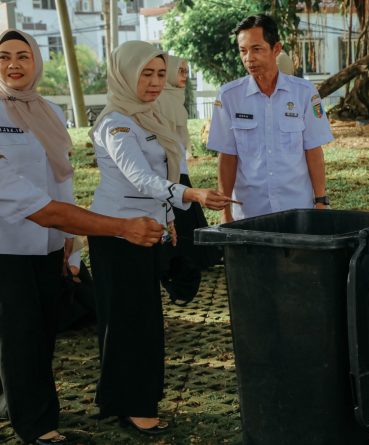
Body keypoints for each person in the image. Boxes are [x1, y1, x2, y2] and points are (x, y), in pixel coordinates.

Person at [0, 29, 161, 445]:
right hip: (7, 243)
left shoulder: (49, 111)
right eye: (3, 57)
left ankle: (23, 407)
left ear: (36, 61)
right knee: (20, 335)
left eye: (22, 55)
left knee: (41, 333)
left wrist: (71, 246)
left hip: (51, 241)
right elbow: (27, 200)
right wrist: (117, 226)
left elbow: (61, 178)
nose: (14, 64)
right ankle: (36, 427)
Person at [88, 40, 229, 435]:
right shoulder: (116, 123)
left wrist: (168, 218)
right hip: (117, 234)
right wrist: (191, 195)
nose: (153, 83)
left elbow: (161, 176)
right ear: (124, 75)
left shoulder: (147, 117)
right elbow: (141, 179)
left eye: (159, 74)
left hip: (145, 230)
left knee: (140, 319)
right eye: (145, 74)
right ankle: (133, 407)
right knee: (130, 321)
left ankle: (125, 400)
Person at [207, 14, 334, 223]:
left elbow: (313, 150)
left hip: (298, 209)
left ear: (276, 49)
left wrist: (321, 200)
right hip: (249, 212)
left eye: (257, 49)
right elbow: (227, 156)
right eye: (243, 51)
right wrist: (225, 212)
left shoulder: (304, 93)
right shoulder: (229, 96)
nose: (249, 58)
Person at [156, 55, 219, 304]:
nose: (183, 75)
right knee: (180, 222)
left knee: (187, 220)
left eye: (185, 71)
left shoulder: (175, 98)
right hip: (167, 173)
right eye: (179, 70)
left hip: (179, 169)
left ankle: (190, 266)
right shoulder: (159, 100)